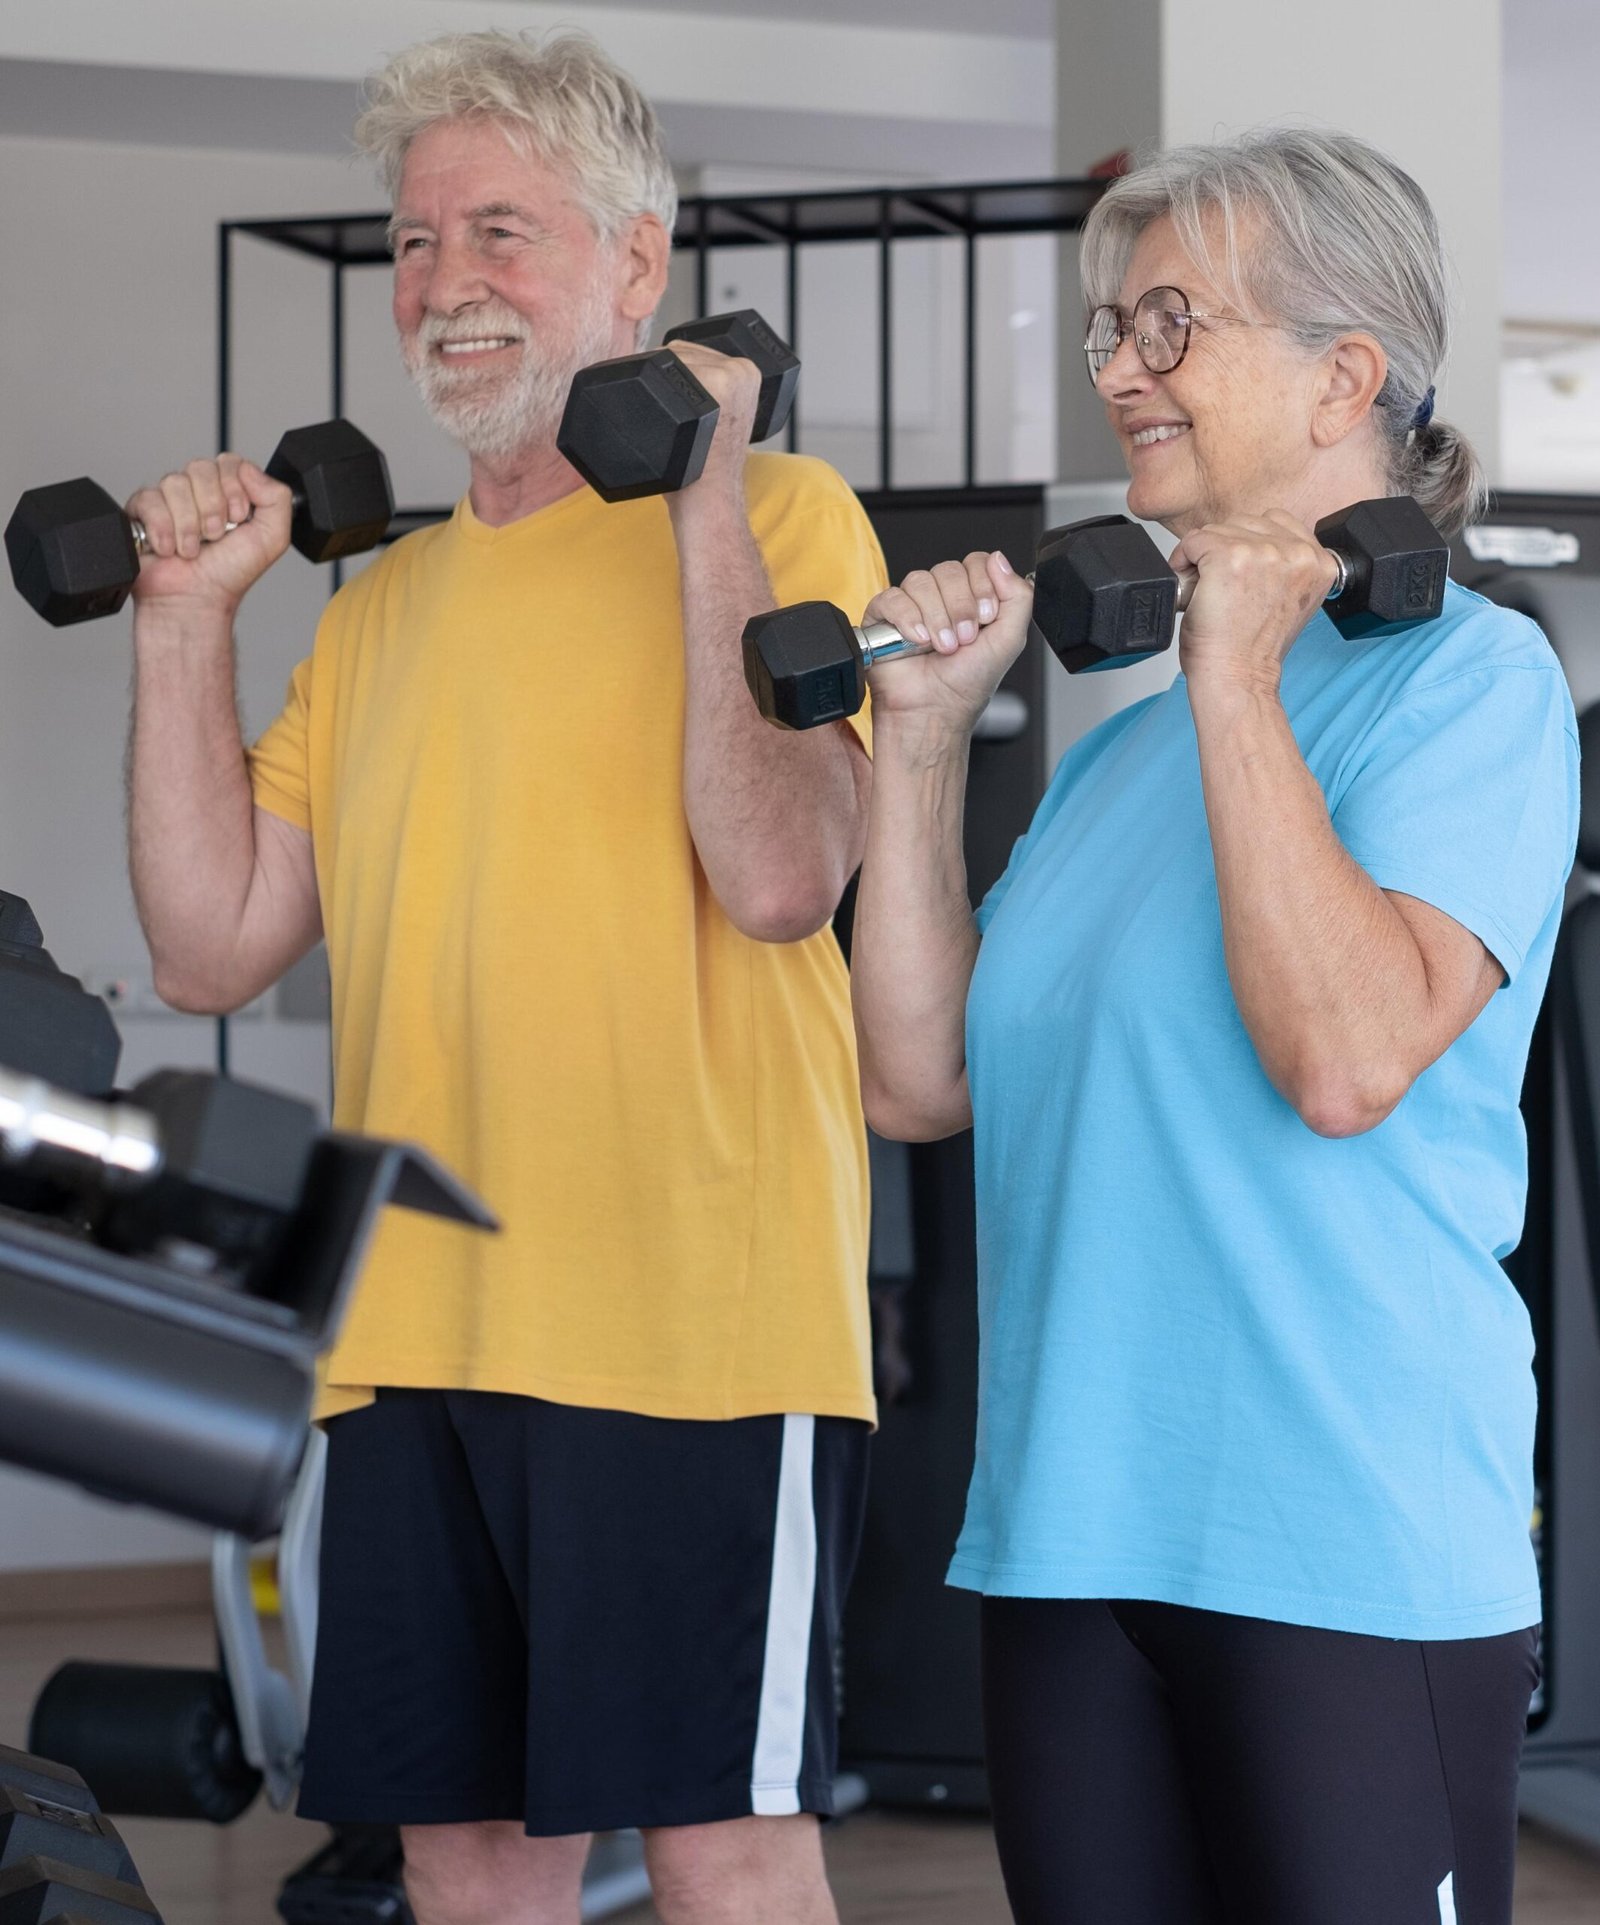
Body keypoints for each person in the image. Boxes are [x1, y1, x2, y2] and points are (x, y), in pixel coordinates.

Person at [124, 29, 884, 1925]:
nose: (446, 284)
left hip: (687, 1324)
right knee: (465, 1861)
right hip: (409, 1337)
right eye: (411, 242)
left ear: (637, 264)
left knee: (726, 1846)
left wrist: (702, 486)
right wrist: (181, 628)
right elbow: (211, 934)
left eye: (500, 234)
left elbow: (786, 876)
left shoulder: (790, 526)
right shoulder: (379, 615)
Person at [848, 129, 1578, 1925]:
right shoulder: (1121, 759)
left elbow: (1344, 1060)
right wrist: (929, 741)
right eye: (1108, 329)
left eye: (1171, 322)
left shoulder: (1473, 686)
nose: (1120, 370)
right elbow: (920, 1074)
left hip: (1345, 1543)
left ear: (1350, 373)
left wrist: (1239, 672)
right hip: (1075, 1536)